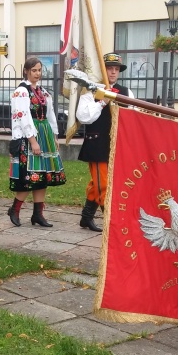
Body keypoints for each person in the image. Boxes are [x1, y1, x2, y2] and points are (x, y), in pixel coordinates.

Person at [75, 52, 134, 232]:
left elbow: (132, 116)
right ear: (103, 70)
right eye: (110, 68)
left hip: (116, 144)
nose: (113, 72)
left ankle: (86, 217)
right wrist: (102, 102)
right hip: (97, 145)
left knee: (98, 182)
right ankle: (112, 221)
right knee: (103, 184)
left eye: (116, 69)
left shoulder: (126, 92)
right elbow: (84, 117)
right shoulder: (90, 91)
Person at [7, 57, 66, 227]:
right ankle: (15, 209)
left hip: (44, 134)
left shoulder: (42, 92)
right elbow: (23, 116)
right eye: (34, 70)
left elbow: (51, 114)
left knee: (43, 176)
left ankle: (37, 214)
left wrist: (54, 136)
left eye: (39, 70)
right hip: (29, 136)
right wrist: (33, 141)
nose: (37, 73)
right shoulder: (21, 92)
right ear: (26, 71)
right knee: (29, 175)